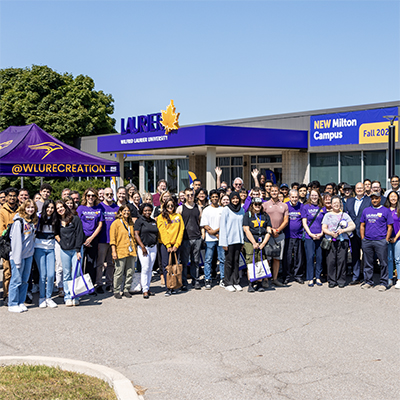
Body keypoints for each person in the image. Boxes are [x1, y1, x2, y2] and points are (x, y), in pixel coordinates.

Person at [8, 199, 38, 313]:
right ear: (23, 208)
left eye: (32, 207)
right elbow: (15, 242)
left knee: (25, 280)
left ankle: (20, 301)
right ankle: (12, 303)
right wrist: (17, 260)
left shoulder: (31, 221)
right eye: (28, 207)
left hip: (28, 256)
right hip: (18, 257)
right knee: (16, 280)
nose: (30, 209)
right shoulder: (18, 222)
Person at [360, 192, 393, 291]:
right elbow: (362, 225)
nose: (374, 200)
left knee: (383, 263)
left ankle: (383, 283)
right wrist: (363, 238)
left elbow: (390, 226)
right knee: (368, 263)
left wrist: (386, 239)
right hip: (368, 240)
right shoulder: (366, 210)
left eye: (376, 198)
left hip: (381, 241)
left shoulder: (385, 211)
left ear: (380, 199)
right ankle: (368, 282)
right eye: (373, 198)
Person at [322, 196, 355, 288]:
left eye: (338, 203)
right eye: (334, 203)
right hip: (331, 241)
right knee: (331, 261)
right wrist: (331, 233)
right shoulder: (327, 215)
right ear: (331, 204)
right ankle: (332, 280)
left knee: (342, 261)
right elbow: (324, 228)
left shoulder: (345, 215)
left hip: (342, 241)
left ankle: (341, 280)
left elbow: (353, 226)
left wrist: (343, 231)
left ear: (341, 204)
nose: (336, 204)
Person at [55, 200, 84, 306]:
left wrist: (78, 250)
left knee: (75, 274)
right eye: (57, 208)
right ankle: (67, 296)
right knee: (66, 274)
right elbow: (55, 233)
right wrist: (61, 243)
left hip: (76, 250)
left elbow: (79, 234)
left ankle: (76, 296)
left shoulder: (75, 219)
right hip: (64, 251)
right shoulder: (57, 221)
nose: (60, 209)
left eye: (61, 207)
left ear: (65, 207)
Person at [344, 182, 371, 285]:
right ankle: (356, 277)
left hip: (365, 232)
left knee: (367, 256)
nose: (359, 190)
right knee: (355, 255)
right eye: (357, 188)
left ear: (364, 189)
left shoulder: (369, 200)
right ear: (354, 190)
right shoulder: (349, 201)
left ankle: (366, 277)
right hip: (353, 233)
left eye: (361, 188)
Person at [243, 197, 272, 292]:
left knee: (261, 261)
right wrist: (254, 243)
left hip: (262, 242)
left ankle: (259, 284)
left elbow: (269, 230)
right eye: (256, 204)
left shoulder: (265, 215)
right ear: (252, 205)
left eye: (259, 205)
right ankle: (251, 283)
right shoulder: (248, 215)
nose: (258, 206)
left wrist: (263, 243)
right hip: (250, 241)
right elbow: (246, 229)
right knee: (251, 262)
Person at [157, 199, 185, 297]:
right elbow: (162, 231)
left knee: (175, 266)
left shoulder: (178, 217)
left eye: (172, 206)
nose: (170, 207)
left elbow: (181, 231)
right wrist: (168, 245)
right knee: (167, 267)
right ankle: (168, 287)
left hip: (176, 246)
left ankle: (175, 285)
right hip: (165, 246)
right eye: (168, 206)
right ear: (165, 206)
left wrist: (176, 245)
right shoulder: (161, 217)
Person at [262, 184, 289, 286]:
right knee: (267, 258)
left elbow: (286, 221)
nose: (274, 192)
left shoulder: (284, 205)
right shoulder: (265, 205)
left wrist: (277, 230)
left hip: (280, 235)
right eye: (272, 191)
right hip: (268, 235)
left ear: (279, 192)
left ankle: (275, 279)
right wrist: (271, 230)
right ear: (269, 192)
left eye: (276, 191)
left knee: (277, 258)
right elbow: (263, 220)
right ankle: (265, 279)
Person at [77, 188, 104, 287]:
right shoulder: (80, 208)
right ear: (85, 196)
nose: (91, 197)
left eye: (93, 195)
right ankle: (80, 286)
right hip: (81, 238)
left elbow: (100, 225)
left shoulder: (98, 209)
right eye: (89, 195)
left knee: (91, 263)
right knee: (80, 262)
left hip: (93, 238)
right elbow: (77, 224)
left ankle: (90, 285)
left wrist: (91, 238)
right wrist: (84, 239)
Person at [34, 200, 58, 308]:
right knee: (42, 275)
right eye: (48, 207)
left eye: (52, 208)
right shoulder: (38, 217)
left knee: (51, 274)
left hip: (51, 248)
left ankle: (49, 297)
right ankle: (42, 298)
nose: (50, 210)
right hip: (39, 248)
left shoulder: (55, 219)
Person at [177, 188, 202, 290]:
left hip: (197, 238)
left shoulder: (198, 208)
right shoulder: (180, 209)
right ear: (184, 196)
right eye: (188, 195)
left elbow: (201, 222)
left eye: (191, 195)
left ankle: (195, 280)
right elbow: (176, 225)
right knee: (184, 261)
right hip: (185, 238)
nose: (190, 197)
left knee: (195, 261)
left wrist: (202, 235)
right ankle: (184, 282)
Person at [219, 192, 245, 292]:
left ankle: (236, 281)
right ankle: (228, 282)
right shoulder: (226, 209)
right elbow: (223, 226)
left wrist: (242, 241)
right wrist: (224, 242)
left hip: (238, 240)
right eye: (233, 198)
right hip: (229, 241)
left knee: (236, 261)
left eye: (236, 198)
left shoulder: (241, 209)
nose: (235, 200)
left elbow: (242, 226)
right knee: (228, 262)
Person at [110, 205, 137, 299]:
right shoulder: (116, 223)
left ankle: (126, 289)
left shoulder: (131, 223)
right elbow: (112, 239)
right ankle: (116, 290)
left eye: (128, 211)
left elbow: (133, 237)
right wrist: (114, 251)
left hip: (131, 250)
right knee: (119, 271)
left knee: (130, 271)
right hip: (120, 250)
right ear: (120, 212)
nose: (127, 212)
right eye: (124, 210)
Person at [200, 189, 225, 289]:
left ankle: (222, 278)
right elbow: (205, 225)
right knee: (208, 260)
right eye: (213, 197)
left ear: (219, 198)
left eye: (216, 197)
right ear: (210, 198)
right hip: (210, 239)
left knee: (222, 259)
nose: (215, 198)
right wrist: (214, 233)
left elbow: (224, 224)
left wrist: (216, 232)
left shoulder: (222, 210)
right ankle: (207, 278)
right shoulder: (206, 210)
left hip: (221, 238)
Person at [96, 187, 119, 293]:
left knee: (111, 263)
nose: (109, 196)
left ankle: (109, 283)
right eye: (107, 194)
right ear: (103, 195)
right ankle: (99, 284)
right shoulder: (99, 207)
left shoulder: (116, 207)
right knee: (100, 263)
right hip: (102, 239)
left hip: (113, 240)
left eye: (111, 194)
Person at [302, 189, 326, 287]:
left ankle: (318, 277)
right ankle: (310, 278)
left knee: (319, 257)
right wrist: (310, 234)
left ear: (319, 196)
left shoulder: (323, 208)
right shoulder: (306, 207)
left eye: (316, 195)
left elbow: (325, 223)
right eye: (312, 195)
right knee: (310, 257)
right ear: (309, 196)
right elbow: (304, 222)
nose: (314, 197)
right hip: (309, 236)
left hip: (320, 235)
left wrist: (321, 233)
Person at [134, 203, 158, 299]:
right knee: (145, 268)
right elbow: (136, 234)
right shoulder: (139, 221)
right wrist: (142, 246)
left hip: (153, 247)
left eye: (149, 210)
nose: (147, 212)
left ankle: (147, 288)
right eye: (145, 210)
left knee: (150, 269)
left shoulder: (153, 221)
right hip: (143, 247)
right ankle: (144, 290)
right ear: (142, 211)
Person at [0, 187, 19, 306]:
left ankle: (17, 293)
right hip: (6, 243)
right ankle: (6, 294)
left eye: (14, 196)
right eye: (10, 196)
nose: (12, 198)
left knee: (17, 270)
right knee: (7, 271)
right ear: (6, 197)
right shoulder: (2, 211)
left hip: (18, 244)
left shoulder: (19, 209)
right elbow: (1, 228)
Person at [282, 190, 305, 284]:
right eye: (293, 197)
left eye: (296, 197)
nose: (294, 199)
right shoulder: (285, 206)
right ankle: (286, 276)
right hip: (287, 235)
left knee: (298, 257)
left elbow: (304, 220)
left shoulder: (301, 206)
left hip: (298, 236)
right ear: (289, 197)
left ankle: (298, 275)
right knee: (287, 257)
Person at [384, 191, 400, 287]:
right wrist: (387, 237)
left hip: (398, 238)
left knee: (398, 259)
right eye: (391, 196)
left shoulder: (399, 209)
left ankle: (399, 279)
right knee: (389, 259)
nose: (393, 198)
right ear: (388, 198)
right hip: (387, 238)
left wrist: (395, 238)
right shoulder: (385, 209)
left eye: (395, 196)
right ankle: (389, 277)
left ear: (398, 198)